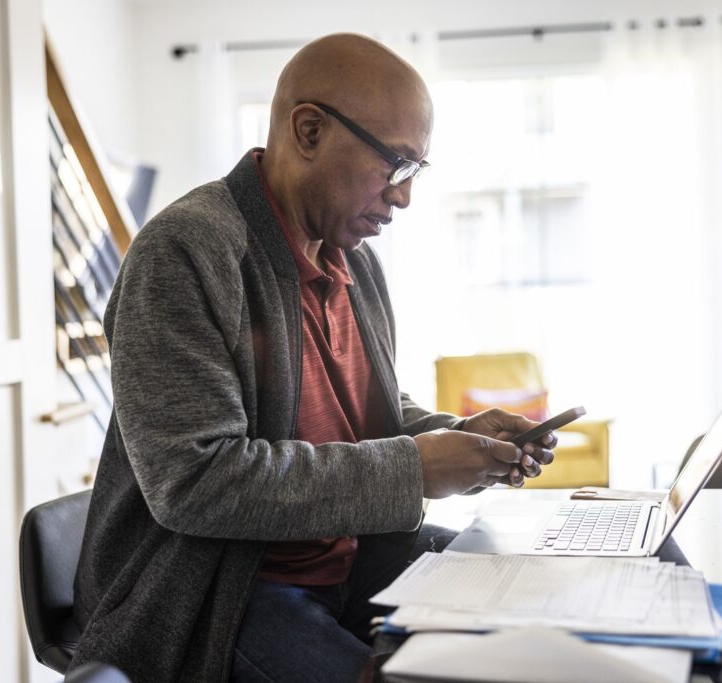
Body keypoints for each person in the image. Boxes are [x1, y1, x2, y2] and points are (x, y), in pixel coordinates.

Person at [70, 33, 556, 683]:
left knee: (535, 601)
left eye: (417, 170)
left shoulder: (356, 262)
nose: (404, 196)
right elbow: (197, 484)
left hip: (354, 563)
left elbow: (364, 413)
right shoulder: (185, 253)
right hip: (223, 594)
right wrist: (416, 467)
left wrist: (460, 438)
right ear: (309, 131)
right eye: (396, 165)